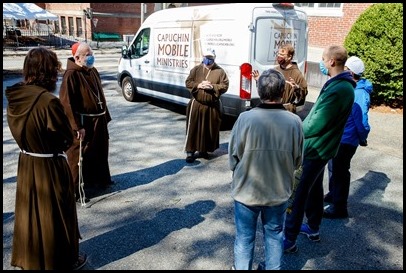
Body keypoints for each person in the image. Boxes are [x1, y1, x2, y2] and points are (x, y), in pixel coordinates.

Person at [5, 47, 87, 270]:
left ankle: (31, 259)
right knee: (56, 214)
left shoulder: (15, 96)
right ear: (47, 72)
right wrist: (73, 135)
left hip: (27, 161)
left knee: (30, 211)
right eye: (54, 69)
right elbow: (65, 139)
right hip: (49, 165)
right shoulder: (48, 102)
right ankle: (60, 261)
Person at [283, 45, 356, 253]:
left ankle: (289, 239)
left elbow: (317, 123)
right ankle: (313, 227)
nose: (322, 63)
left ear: (332, 61)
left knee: (298, 193)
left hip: (316, 148)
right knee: (314, 189)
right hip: (321, 147)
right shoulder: (340, 84)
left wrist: (296, 129)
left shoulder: (340, 88)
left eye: (324, 59)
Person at [229, 69, 304, 270]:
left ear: (259, 91)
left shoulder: (245, 119)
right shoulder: (294, 122)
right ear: (282, 91)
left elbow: (233, 157)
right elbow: (298, 160)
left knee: (244, 238)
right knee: (274, 236)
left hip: (246, 191)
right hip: (278, 191)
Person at [59, 42, 114, 204]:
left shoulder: (92, 70)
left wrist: (105, 117)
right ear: (77, 57)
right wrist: (77, 127)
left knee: (100, 150)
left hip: (99, 119)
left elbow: (99, 96)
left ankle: (100, 181)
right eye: (87, 54)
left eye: (91, 53)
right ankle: (75, 190)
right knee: (79, 156)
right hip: (84, 121)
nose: (91, 57)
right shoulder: (71, 75)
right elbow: (66, 103)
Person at [323, 56, 373, 218]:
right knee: (333, 168)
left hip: (347, 140)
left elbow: (362, 121)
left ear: (350, 72)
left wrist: (362, 137)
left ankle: (339, 208)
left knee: (341, 172)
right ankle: (333, 194)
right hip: (339, 137)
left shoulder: (359, 94)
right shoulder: (351, 87)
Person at [184, 49, 229, 163]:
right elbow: (188, 82)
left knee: (207, 129)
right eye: (206, 57)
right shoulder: (196, 69)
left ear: (214, 59)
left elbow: (224, 85)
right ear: (203, 57)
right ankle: (190, 151)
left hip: (211, 105)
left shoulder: (220, 71)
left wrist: (213, 87)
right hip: (197, 104)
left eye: (210, 58)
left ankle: (203, 150)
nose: (208, 60)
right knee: (193, 128)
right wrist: (199, 85)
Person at [252, 43, 308, 113]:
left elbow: (302, 96)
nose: (279, 56)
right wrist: (259, 80)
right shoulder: (275, 70)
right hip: (271, 110)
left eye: (282, 55)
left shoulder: (297, 74)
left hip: (286, 111)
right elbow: (268, 90)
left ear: (289, 57)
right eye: (278, 54)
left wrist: (297, 89)